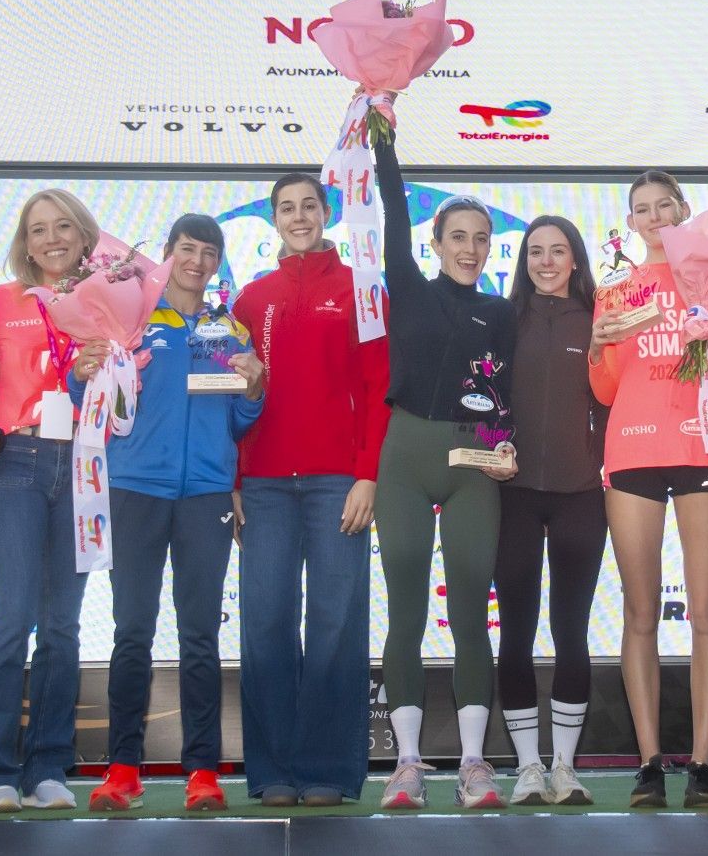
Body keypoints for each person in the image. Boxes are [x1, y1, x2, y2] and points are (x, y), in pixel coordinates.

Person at [77, 215, 265, 813]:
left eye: (209, 253)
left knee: (200, 636)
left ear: (217, 263)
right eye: (188, 249)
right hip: (135, 489)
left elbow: (238, 422)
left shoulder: (228, 329)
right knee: (131, 631)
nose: (198, 261)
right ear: (167, 253)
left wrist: (256, 389)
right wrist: (84, 375)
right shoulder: (130, 319)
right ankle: (123, 768)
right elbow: (96, 401)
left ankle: (203, 771)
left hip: (206, 495)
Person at [231, 172, 391, 806]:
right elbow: (236, 400)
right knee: (265, 624)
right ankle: (271, 771)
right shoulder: (250, 299)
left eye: (308, 206)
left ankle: (327, 768)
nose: (298, 216)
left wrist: (367, 474)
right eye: (285, 208)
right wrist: (236, 479)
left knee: (335, 625)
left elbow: (380, 390)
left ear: (327, 213)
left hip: (336, 485)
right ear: (273, 219)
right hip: (264, 485)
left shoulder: (363, 290)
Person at [372, 134, 517, 811]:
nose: (468, 247)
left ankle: (472, 764)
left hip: (473, 466)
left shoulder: (501, 311)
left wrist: (505, 445)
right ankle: (404, 765)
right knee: (403, 613)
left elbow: (503, 394)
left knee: (467, 615)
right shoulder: (405, 284)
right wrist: (383, 140)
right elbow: (392, 210)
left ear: (490, 247)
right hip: (404, 457)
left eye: (480, 238)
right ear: (435, 242)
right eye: (456, 236)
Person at [587, 171, 708, 809]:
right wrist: (599, 345)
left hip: (704, 448)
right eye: (641, 210)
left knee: (706, 612)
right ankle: (650, 763)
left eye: (663, 206)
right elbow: (605, 390)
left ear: (683, 210)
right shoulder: (616, 287)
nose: (653, 218)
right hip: (634, 450)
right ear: (631, 219)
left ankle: (701, 764)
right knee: (641, 612)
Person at [0, 189, 101, 812]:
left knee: (62, 627)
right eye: (38, 229)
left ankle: (48, 766)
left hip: (84, 466)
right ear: (24, 242)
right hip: (15, 464)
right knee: (12, 616)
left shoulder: (107, 305)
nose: (51, 238)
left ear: (83, 235)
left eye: (63, 227)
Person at [496, 216, 607, 807]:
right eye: (535, 252)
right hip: (512, 495)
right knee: (514, 634)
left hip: (582, 495)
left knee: (571, 632)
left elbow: (613, 399)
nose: (545, 261)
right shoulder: (502, 319)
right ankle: (527, 768)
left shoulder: (598, 320)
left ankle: (564, 767)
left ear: (574, 258)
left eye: (556, 251)